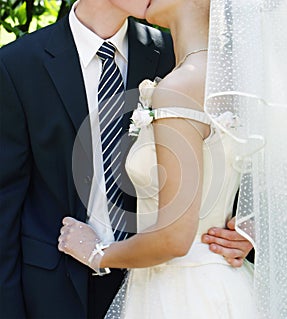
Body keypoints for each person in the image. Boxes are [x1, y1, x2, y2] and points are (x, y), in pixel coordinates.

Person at [0, 0, 251, 318]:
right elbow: (5, 207)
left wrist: (245, 230)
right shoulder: (17, 65)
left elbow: (234, 154)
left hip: (161, 285)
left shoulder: (179, 56)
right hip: (52, 289)